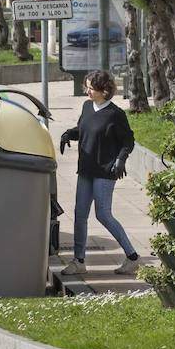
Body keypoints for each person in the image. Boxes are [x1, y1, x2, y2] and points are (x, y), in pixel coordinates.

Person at [58, 69, 139, 276]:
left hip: (105, 170)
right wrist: (69, 134)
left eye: (91, 88)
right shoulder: (87, 107)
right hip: (86, 168)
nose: (87, 92)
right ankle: (79, 261)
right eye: (86, 87)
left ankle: (132, 258)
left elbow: (128, 140)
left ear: (104, 91)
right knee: (80, 215)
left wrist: (121, 159)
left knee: (103, 214)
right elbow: (84, 130)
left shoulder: (115, 114)